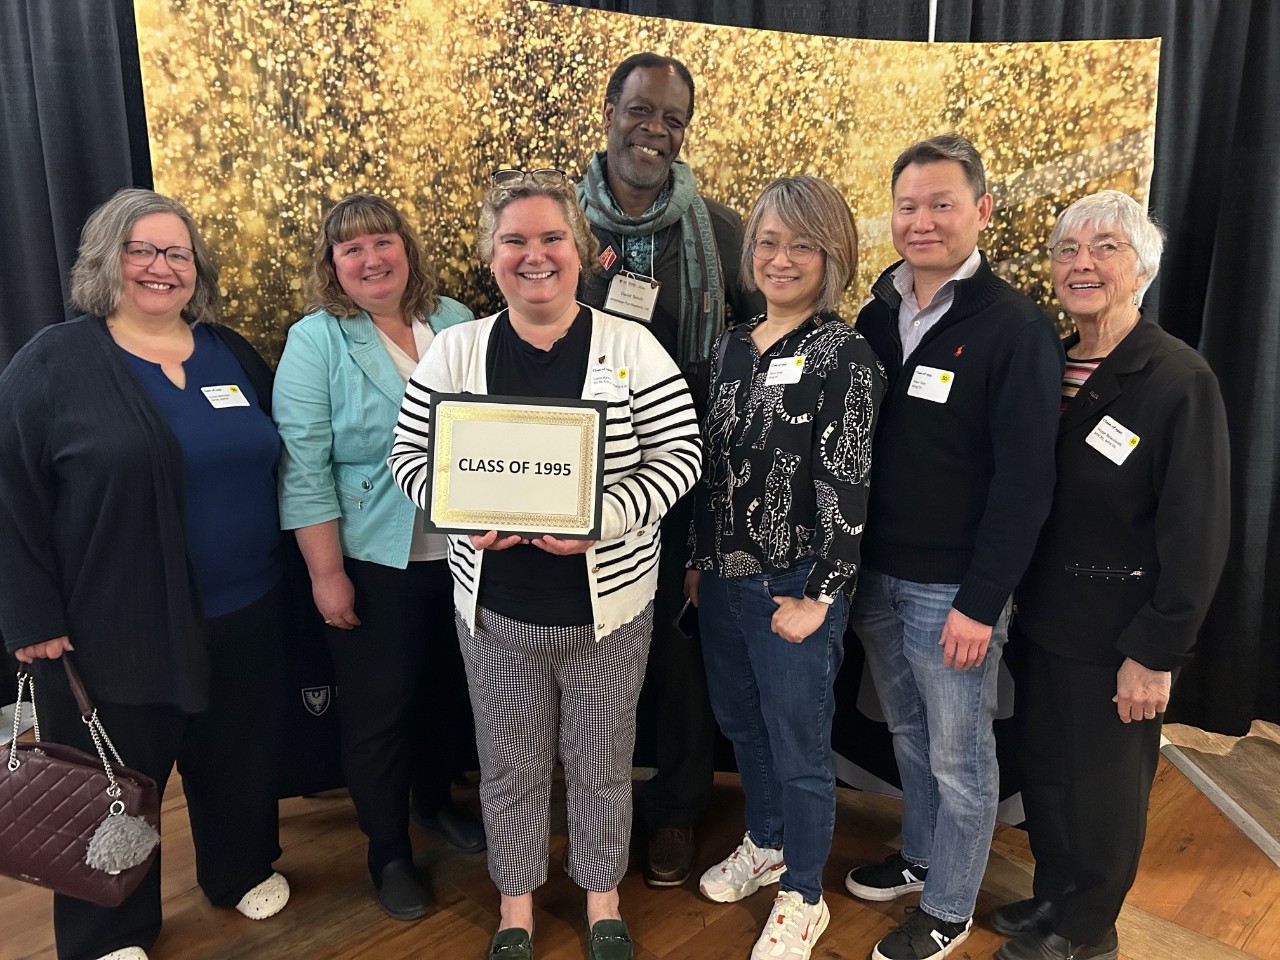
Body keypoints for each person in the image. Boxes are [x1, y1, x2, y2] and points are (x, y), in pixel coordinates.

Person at [389, 169, 701, 960]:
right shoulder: (456, 352)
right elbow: (409, 457)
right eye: (515, 240)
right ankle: (516, 904)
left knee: (601, 767)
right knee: (510, 768)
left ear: (583, 249)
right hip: (495, 614)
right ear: (490, 254)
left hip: (610, 614)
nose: (535, 255)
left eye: (551, 238)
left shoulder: (631, 345)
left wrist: (607, 518)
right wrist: (460, 512)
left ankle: (602, 898)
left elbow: (682, 457)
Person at [0, 188, 289, 960]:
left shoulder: (232, 353)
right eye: (142, 250)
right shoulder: (54, 364)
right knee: (110, 780)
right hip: (113, 623)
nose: (161, 267)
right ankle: (106, 929)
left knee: (236, 757)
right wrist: (29, 615)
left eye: (177, 253)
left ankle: (237, 869)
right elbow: (10, 494)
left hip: (247, 609)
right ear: (107, 260)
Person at [989, 191, 1230, 960]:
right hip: (1047, 621)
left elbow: (1198, 532)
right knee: (1050, 777)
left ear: (1140, 271)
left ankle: (1088, 929)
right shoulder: (1051, 362)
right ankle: (1054, 898)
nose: (1083, 263)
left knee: (1103, 792)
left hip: (1121, 634)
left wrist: (1157, 651)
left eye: (1105, 248)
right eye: (1068, 249)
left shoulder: (1175, 379)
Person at [843, 135, 1063, 960]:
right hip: (876, 578)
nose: (923, 220)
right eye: (908, 205)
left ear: (983, 210)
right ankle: (925, 858)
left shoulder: (1014, 329)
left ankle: (948, 906)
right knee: (907, 737)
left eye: (942, 204)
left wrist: (981, 598)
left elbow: (1025, 485)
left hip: (953, 593)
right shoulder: (873, 315)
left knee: (961, 757)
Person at [576, 49, 762, 889]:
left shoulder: (722, 233)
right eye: (641, 111)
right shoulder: (556, 222)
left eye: (672, 120)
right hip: (572, 479)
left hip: (687, 478)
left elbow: (758, 356)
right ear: (609, 110)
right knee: (588, 644)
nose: (654, 131)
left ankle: (677, 810)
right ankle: (590, 806)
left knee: (679, 657)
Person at [686, 175, 884, 960]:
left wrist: (821, 594)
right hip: (725, 581)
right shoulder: (731, 346)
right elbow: (710, 464)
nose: (782, 257)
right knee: (742, 726)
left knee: (799, 744)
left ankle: (804, 890)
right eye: (768, 240)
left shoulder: (846, 354)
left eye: (803, 243)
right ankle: (766, 843)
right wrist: (702, 559)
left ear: (831, 255)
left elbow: (850, 479)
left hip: (796, 583)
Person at [272, 193, 483, 921]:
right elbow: (304, 464)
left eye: (382, 242)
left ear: (407, 249)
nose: (370, 259)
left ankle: (435, 803)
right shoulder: (317, 339)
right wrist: (326, 574)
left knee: (446, 694)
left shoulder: (456, 320)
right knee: (379, 713)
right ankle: (388, 850)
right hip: (370, 556)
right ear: (333, 265)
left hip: (466, 555)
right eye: (351, 249)